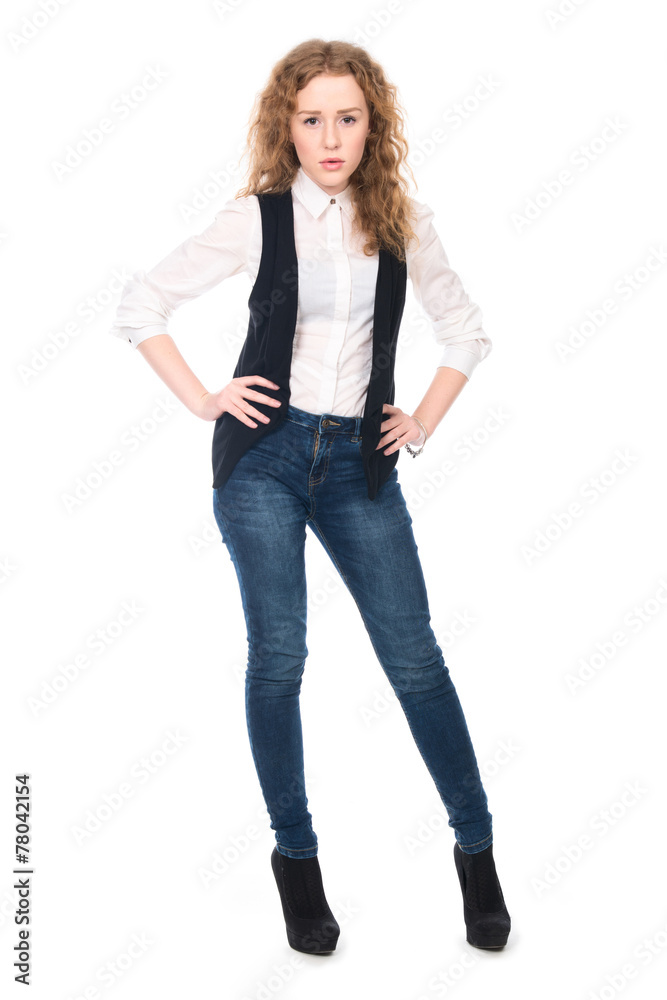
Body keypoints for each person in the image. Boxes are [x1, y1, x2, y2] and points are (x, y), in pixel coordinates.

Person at [108, 37, 511, 955]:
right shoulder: (258, 218)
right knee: (278, 656)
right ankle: (298, 866)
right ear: (285, 126)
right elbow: (141, 304)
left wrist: (423, 420)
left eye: (348, 118)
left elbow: (467, 330)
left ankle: (478, 857)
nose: (330, 138)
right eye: (311, 119)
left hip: (359, 463)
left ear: (373, 124)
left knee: (414, 661)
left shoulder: (403, 220)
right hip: (265, 459)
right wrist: (208, 397)